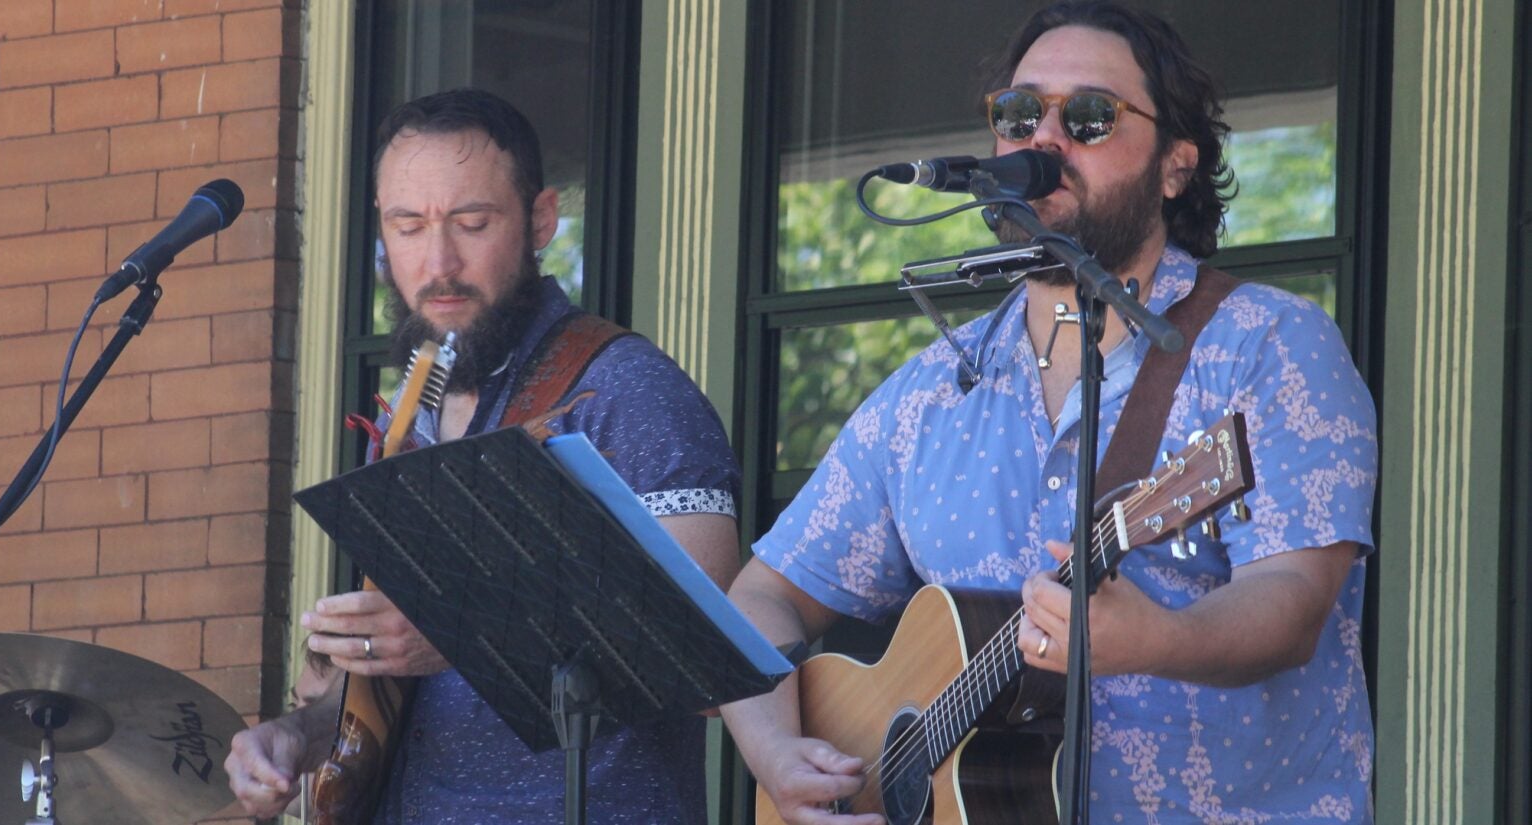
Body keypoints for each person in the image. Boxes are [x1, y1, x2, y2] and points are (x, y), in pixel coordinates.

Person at [718, 2, 1377, 823]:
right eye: (1021, 114)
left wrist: (1157, 641)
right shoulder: (927, 395)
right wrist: (779, 754)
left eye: (1091, 117)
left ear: (1177, 163)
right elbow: (760, 596)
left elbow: (1291, 602)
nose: (1045, 141)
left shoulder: (1267, 346)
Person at [224, 88, 742, 824]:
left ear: (541, 221)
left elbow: (711, 659)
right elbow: (387, 676)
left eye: (472, 222)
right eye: (407, 226)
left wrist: (468, 627)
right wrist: (300, 733)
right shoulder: (412, 413)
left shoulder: (625, 390)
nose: (438, 261)